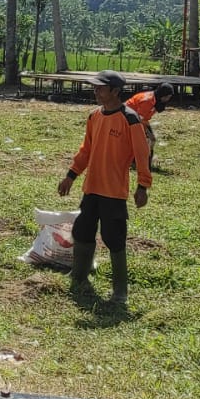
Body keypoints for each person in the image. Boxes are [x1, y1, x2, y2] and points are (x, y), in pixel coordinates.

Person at [56, 70, 151, 305]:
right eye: (95, 88)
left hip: (114, 192)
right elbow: (85, 150)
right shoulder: (94, 116)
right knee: (82, 230)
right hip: (92, 187)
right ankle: (79, 275)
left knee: (114, 237)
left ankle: (120, 291)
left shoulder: (130, 120)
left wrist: (143, 186)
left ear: (115, 92)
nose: (96, 91)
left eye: (101, 88)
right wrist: (71, 175)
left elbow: (142, 155)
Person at [125, 82, 175, 167]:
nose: (168, 99)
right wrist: (148, 133)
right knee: (144, 139)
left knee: (151, 139)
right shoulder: (147, 101)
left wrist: (149, 134)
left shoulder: (156, 101)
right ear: (162, 95)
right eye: (167, 97)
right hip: (127, 117)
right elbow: (139, 119)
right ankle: (136, 161)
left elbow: (144, 119)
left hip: (139, 119)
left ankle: (146, 161)